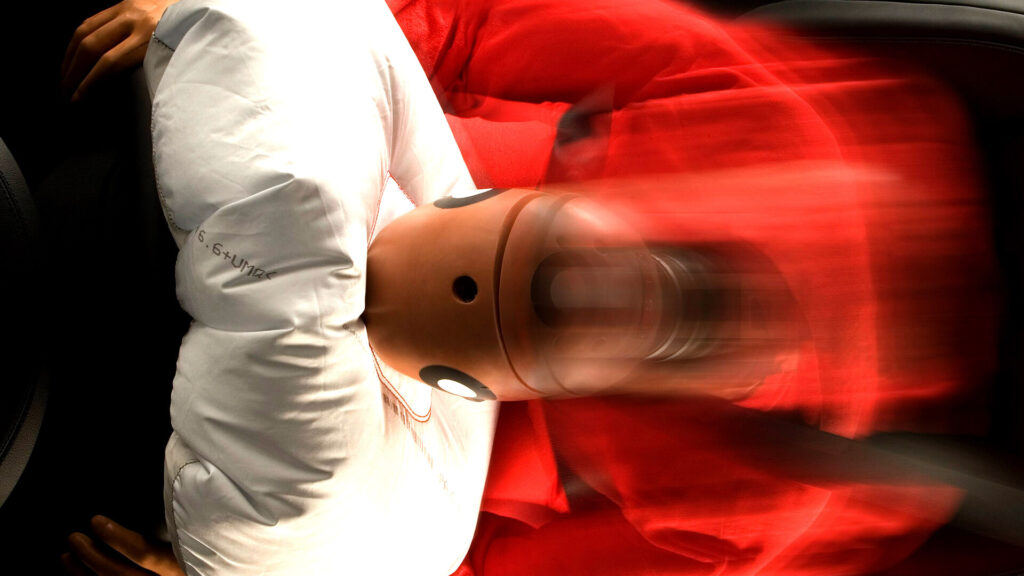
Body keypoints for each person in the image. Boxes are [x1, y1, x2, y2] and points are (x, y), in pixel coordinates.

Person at [61, 0, 1001, 574]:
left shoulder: (810, 503)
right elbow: (472, 27)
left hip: (383, 446)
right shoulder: (829, 140)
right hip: (358, 159)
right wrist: (228, 21)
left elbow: (474, 565)